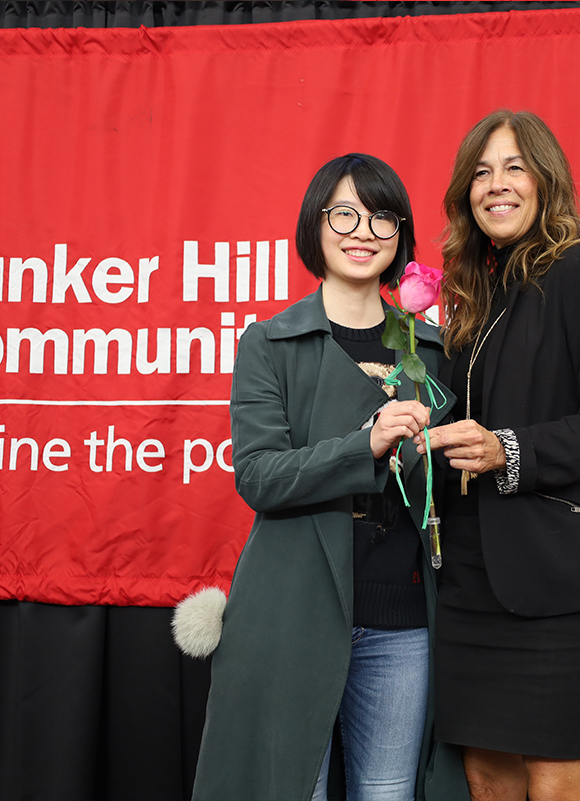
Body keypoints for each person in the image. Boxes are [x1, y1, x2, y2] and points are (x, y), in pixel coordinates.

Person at [190, 154, 468, 801]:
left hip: (404, 622)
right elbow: (258, 475)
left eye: (382, 217)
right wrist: (364, 444)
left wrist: (542, 459)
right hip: (292, 614)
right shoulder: (270, 342)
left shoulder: (430, 350)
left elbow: (459, 472)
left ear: (401, 237)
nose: (362, 229)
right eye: (345, 212)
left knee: (390, 790)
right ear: (316, 225)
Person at [420, 110, 580, 801]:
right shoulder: (475, 298)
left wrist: (508, 450)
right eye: (481, 172)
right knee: (487, 781)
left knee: (556, 785)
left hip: (555, 584)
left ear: (546, 179)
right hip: (469, 581)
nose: (496, 185)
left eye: (513, 167)